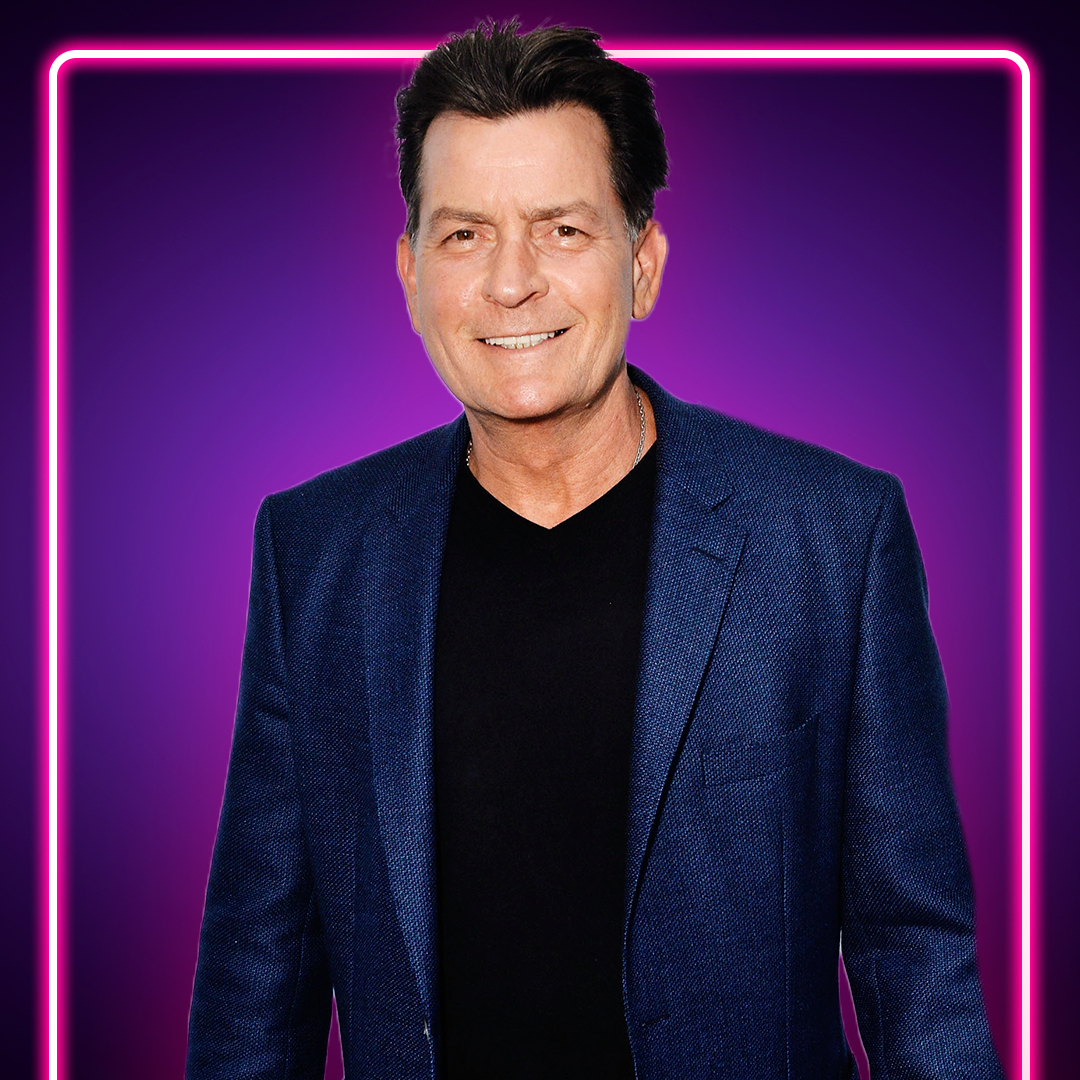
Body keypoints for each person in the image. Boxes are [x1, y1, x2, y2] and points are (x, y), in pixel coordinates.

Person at [186, 20, 1005, 1080]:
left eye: (563, 230)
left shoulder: (831, 539)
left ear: (643, 263)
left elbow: (914, 950)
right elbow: (258, 971)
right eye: (464, 234)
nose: (510, 282)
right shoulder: (315, 554)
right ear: (409, 273)